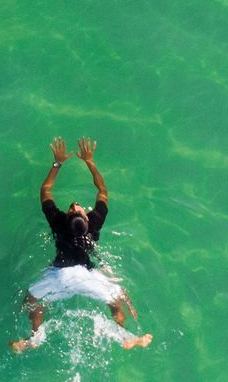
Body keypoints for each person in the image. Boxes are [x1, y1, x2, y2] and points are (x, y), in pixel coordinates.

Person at [12, 137, 152, 352]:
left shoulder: (57, 222)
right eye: (77, 208)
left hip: (59, 276)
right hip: (88, 276)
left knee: (33, 302)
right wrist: (89, 161)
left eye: (72, 208)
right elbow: (102, 190)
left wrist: (57, 163)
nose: (75, 205)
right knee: (116, 301)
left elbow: (46, 190)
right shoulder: (95, 223)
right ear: (87, 219)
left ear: (66, 217)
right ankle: (126, 337)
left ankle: (33, 339)